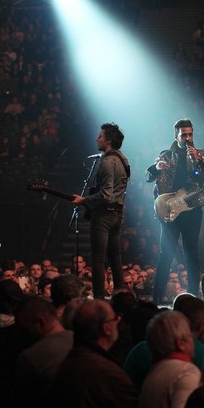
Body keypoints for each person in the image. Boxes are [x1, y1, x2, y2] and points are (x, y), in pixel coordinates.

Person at [148, 118, 204, 301]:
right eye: (183, 134)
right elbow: (148, 176)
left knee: (191, 252)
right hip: (170, 209)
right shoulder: (166, 155)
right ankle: (157, 298)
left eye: (190, 134)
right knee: (166, 253)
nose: (187, 138)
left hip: (191, 209)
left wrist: (197, 161)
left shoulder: (202, 155)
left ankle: (193, 296)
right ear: (176, 135)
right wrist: (155, 168)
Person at [72, 122, 131, 299]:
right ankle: (120, 296)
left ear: (109, 140)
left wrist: (84, 200)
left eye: (100, 136)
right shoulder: (123, 159)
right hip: (117, 213)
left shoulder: (107, 161)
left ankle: (98, 297)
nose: (96, 138)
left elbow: (106, 194)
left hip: (104, 214)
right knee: (115, 258)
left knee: (98, 258)